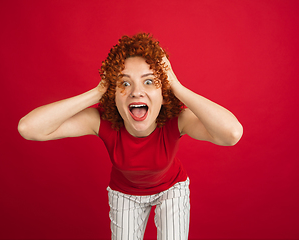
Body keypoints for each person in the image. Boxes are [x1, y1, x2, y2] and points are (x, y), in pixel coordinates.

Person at [18, 33, 243, 240]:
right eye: (124, 83)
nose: (136, 91)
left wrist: (176, 86)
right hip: (125, 194)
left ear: (163, 94)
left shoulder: (177, 120)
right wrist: (97, 91)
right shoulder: (101, 120)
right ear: (113, 95)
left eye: (148, 81)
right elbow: (29, 128)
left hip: (171, 190)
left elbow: (231, 133)